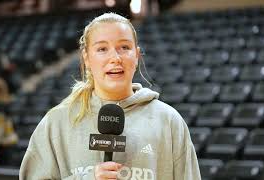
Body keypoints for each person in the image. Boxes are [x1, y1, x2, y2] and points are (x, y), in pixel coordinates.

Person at [20, 12, 201, 179]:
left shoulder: (168, 121)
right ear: (86, 58)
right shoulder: (56, 122)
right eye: (102, 49)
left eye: (124, 47)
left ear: (136, 55)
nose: (115, 58)